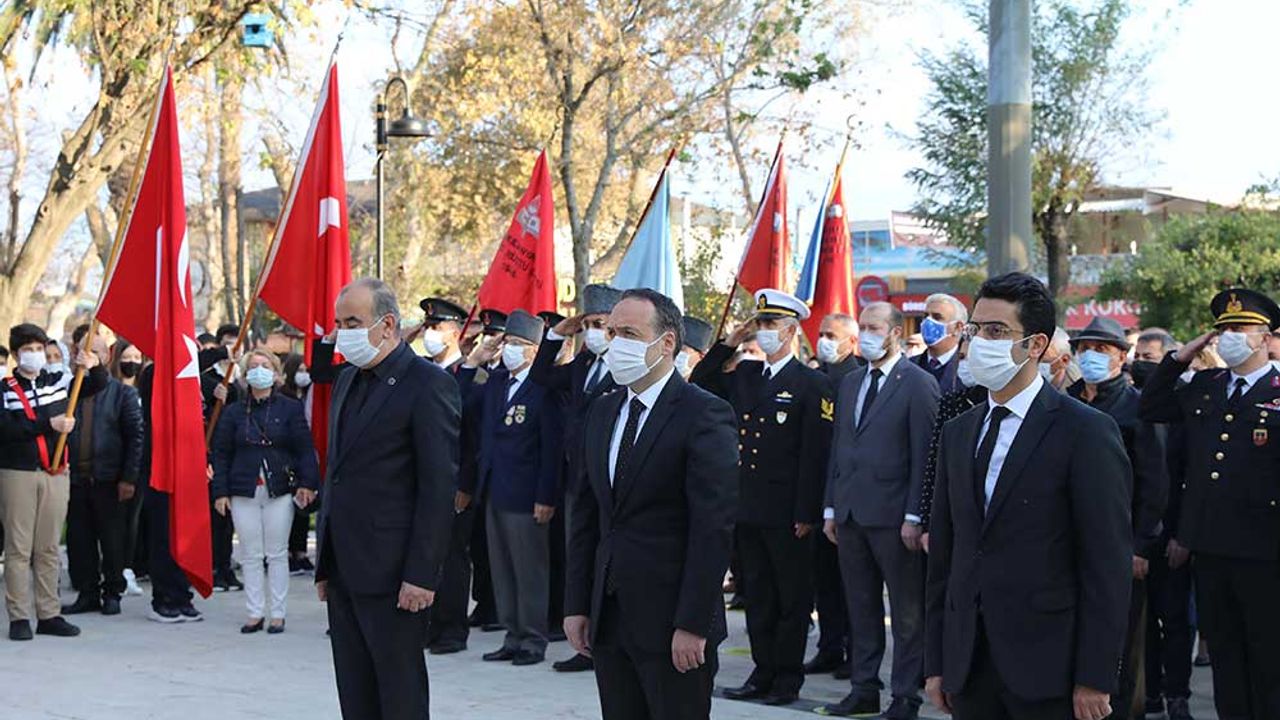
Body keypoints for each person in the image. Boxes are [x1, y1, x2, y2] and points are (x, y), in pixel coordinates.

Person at [925, 272, 1132, 720]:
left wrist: (1095, 675)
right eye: (976, 329)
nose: (981, 342)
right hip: (970, 662)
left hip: (1049, 665)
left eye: (997, 331)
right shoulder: (958, 432)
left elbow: (1106, 563)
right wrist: (937, 663)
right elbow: (945, 554)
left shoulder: (1085, 431)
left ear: (1036, 345)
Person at [565, 287, 738, 720]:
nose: (614, 343)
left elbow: (712, 528)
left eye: (629, 333)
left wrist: (693, 623)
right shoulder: (603, 411)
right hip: (610, 617)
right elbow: (587, 514)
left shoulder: (704, 413)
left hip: (672, 622)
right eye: (611, 332)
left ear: (666, 343)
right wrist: (577, 605)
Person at [315, 278, 459, 720]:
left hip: (395, 574)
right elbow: (336, 473)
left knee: (399, 695)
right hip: (345, 567)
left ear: (388, 325)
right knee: (355, 693)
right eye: (339, 323)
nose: (343, 333)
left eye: (353, 322)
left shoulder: (427, 384)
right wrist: (326, 561)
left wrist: (422, 574)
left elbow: (437, 488)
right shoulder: (346, 380)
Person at [1139, 287, 1280, 720]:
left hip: (1266, 551)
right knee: (1224, 654)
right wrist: (1179, 357)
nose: (1231, 336)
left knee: (1268, 657)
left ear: (1266, 336)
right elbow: (1151, 406)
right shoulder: (1206, 385)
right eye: (1224, 329)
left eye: (1241, 328)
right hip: (1212, 548)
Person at [689, 290, 834, 706]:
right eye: (761, 324)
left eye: (771, 325)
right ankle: (762, 670)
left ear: (791, 331)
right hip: (748, 506)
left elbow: (815, 454)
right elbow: (701, 381)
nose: (764, 331)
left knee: (791, 599)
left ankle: (786, 678)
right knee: (757, 596)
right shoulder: (748, 373)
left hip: (788, 512)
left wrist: (807, 511)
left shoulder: (812, 382)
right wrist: (731, 341)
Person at [821, 301, 939, 719]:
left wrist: (915, 515)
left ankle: (905, 695)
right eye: (864, 327)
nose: (868, 335)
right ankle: (864, 688)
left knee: (906, 614)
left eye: (875, 328)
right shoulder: (851, 381)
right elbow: (840, 447)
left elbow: (926, 455)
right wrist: (831, 507)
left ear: (894, 333)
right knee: (860, 606)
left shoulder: (918, 383)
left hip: (894, 518)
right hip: (851, 513)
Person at [1067, 317, 1169, 720]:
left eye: (1101, 349)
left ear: (1121, 357)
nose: (1090, 356)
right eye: (1084, 349)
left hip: (1121, 542)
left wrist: (1142, 545)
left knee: (1121, 644)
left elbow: (1154, 482)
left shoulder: (1137, 406)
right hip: (1069, 540)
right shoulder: (1066, 399)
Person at [459, 310, 564, 666]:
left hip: (526, 495)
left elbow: (551, 448)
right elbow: (461, 402)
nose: (511, 350)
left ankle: (533, 638)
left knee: (529, 569)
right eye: (508, 343)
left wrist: (546, 496)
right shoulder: (496, 382)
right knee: (502, 568)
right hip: (494, 491)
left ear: (535, 350)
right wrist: (473, 362)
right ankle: (512, 634)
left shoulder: (543, 388)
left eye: (519, 344)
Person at [531, 283, 623, 673]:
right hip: (577, 479)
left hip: (610, 481)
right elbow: (540, 376)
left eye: (600, 324)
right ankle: (584, 643)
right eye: (587, 324)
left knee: (608, 563)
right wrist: (556, 334)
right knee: (580, 559)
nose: (592, 332)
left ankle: (607, 643)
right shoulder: (584, 364)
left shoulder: (625, 366)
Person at [1, 323, 107, 640]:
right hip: (18, 472)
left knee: (48, 547)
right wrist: (49, 424)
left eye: (39, 349)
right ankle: (19, 616)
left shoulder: (59, 382)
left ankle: (49, 613)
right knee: (19, 548)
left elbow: (95, 385)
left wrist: (94, 365)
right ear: (16, 354)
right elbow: (6, 430)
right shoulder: (5, 389)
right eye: (28, 350)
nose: (35, 355)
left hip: (57, 472)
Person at [212, 350, 319, 634]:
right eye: (253, 366)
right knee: (250, 553)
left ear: (275, 372)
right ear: (245, 374)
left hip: (279, 489)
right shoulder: (234, 411)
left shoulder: (290, 408)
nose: (259, 370)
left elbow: (304, 448)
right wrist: (220, 492)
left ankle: (278, 614)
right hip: (243, 490)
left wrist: (308, 483)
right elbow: (221, 453)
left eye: (265, 365)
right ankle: (254, 612)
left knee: (277, 553)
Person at [1131, 330, 1196, 720]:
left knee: (1174, 621)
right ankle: (1152, 693)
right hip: (1141, 533)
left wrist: (1180, 535)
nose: (1141, 364)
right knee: (1145, 622)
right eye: (1138, 356)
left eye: (1150, 357)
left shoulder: (1184, 402)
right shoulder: (1138, 402)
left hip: (1170, 531)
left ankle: (1177, 694)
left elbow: (1179, 477)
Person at [62, 326, 143, 618]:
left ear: (107, 356)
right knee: (79, 540)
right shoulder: (70, 390)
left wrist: (129, 478)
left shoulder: (122, 393)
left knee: (112, 540)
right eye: (82, 352)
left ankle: (112, 592)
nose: (87, 357)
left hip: (109, 479)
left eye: (94, 352)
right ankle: (87, 592)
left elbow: (135, 437)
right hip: (75, 479)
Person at [418, 297, 482, 655]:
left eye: (436, 326)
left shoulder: (471, 375)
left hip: (455, 482)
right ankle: (430, 624)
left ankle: (452, 630)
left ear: (455, 332)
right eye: (427, 326)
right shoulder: (423, 372)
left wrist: (465, 484)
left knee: (453, 558)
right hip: (425, 481)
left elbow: (473, 437)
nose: (429, 332)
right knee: (427, 552)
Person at [806, 311, 866, 679]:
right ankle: (830, 647)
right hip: (817, 492)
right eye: (822, 333)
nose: (824, 340)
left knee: (852, 585)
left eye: (832, 334)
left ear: (851, 341)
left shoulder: (856, 378)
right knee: (824, 580)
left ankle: (856, 654)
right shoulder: (817, 377)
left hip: (848, 495)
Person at [916, 336, 984, 545]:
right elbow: (934, 465)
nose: (965, 363)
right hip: (953, 517)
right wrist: (927, 523)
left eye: (971, 357)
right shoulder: (951, 404)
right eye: (961, 357)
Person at [200, 323, 243, 593]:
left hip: (232, 453)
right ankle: (213, 567)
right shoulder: (207, 377)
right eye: (228, 343)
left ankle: (226, 567)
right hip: (210, 452)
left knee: (227, 517)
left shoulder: (238, 377)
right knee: (213, 514)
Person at [111, 339, 148, 596]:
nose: (132, 362)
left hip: (138, 465)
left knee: (132, 520)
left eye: (137, 357)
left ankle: (128, 569)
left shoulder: (145, 390)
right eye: (127, 357)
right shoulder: (109, 389)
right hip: (112, 463)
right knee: (113, 521)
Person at [278, 352, 316, 576]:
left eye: (307, 370)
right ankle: (288, 552)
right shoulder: (284, 397)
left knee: (304, 507)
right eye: (300, 370)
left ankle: (300, 551)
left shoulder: (312, 394)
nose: (304, 375)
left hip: (306, 456)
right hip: (288, 458)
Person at [913, 293, 967, 393]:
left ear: (957, 327)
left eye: (937, 317)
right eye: (925, 316)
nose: (928, 322)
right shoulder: (907, 366)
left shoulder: (969, 371)